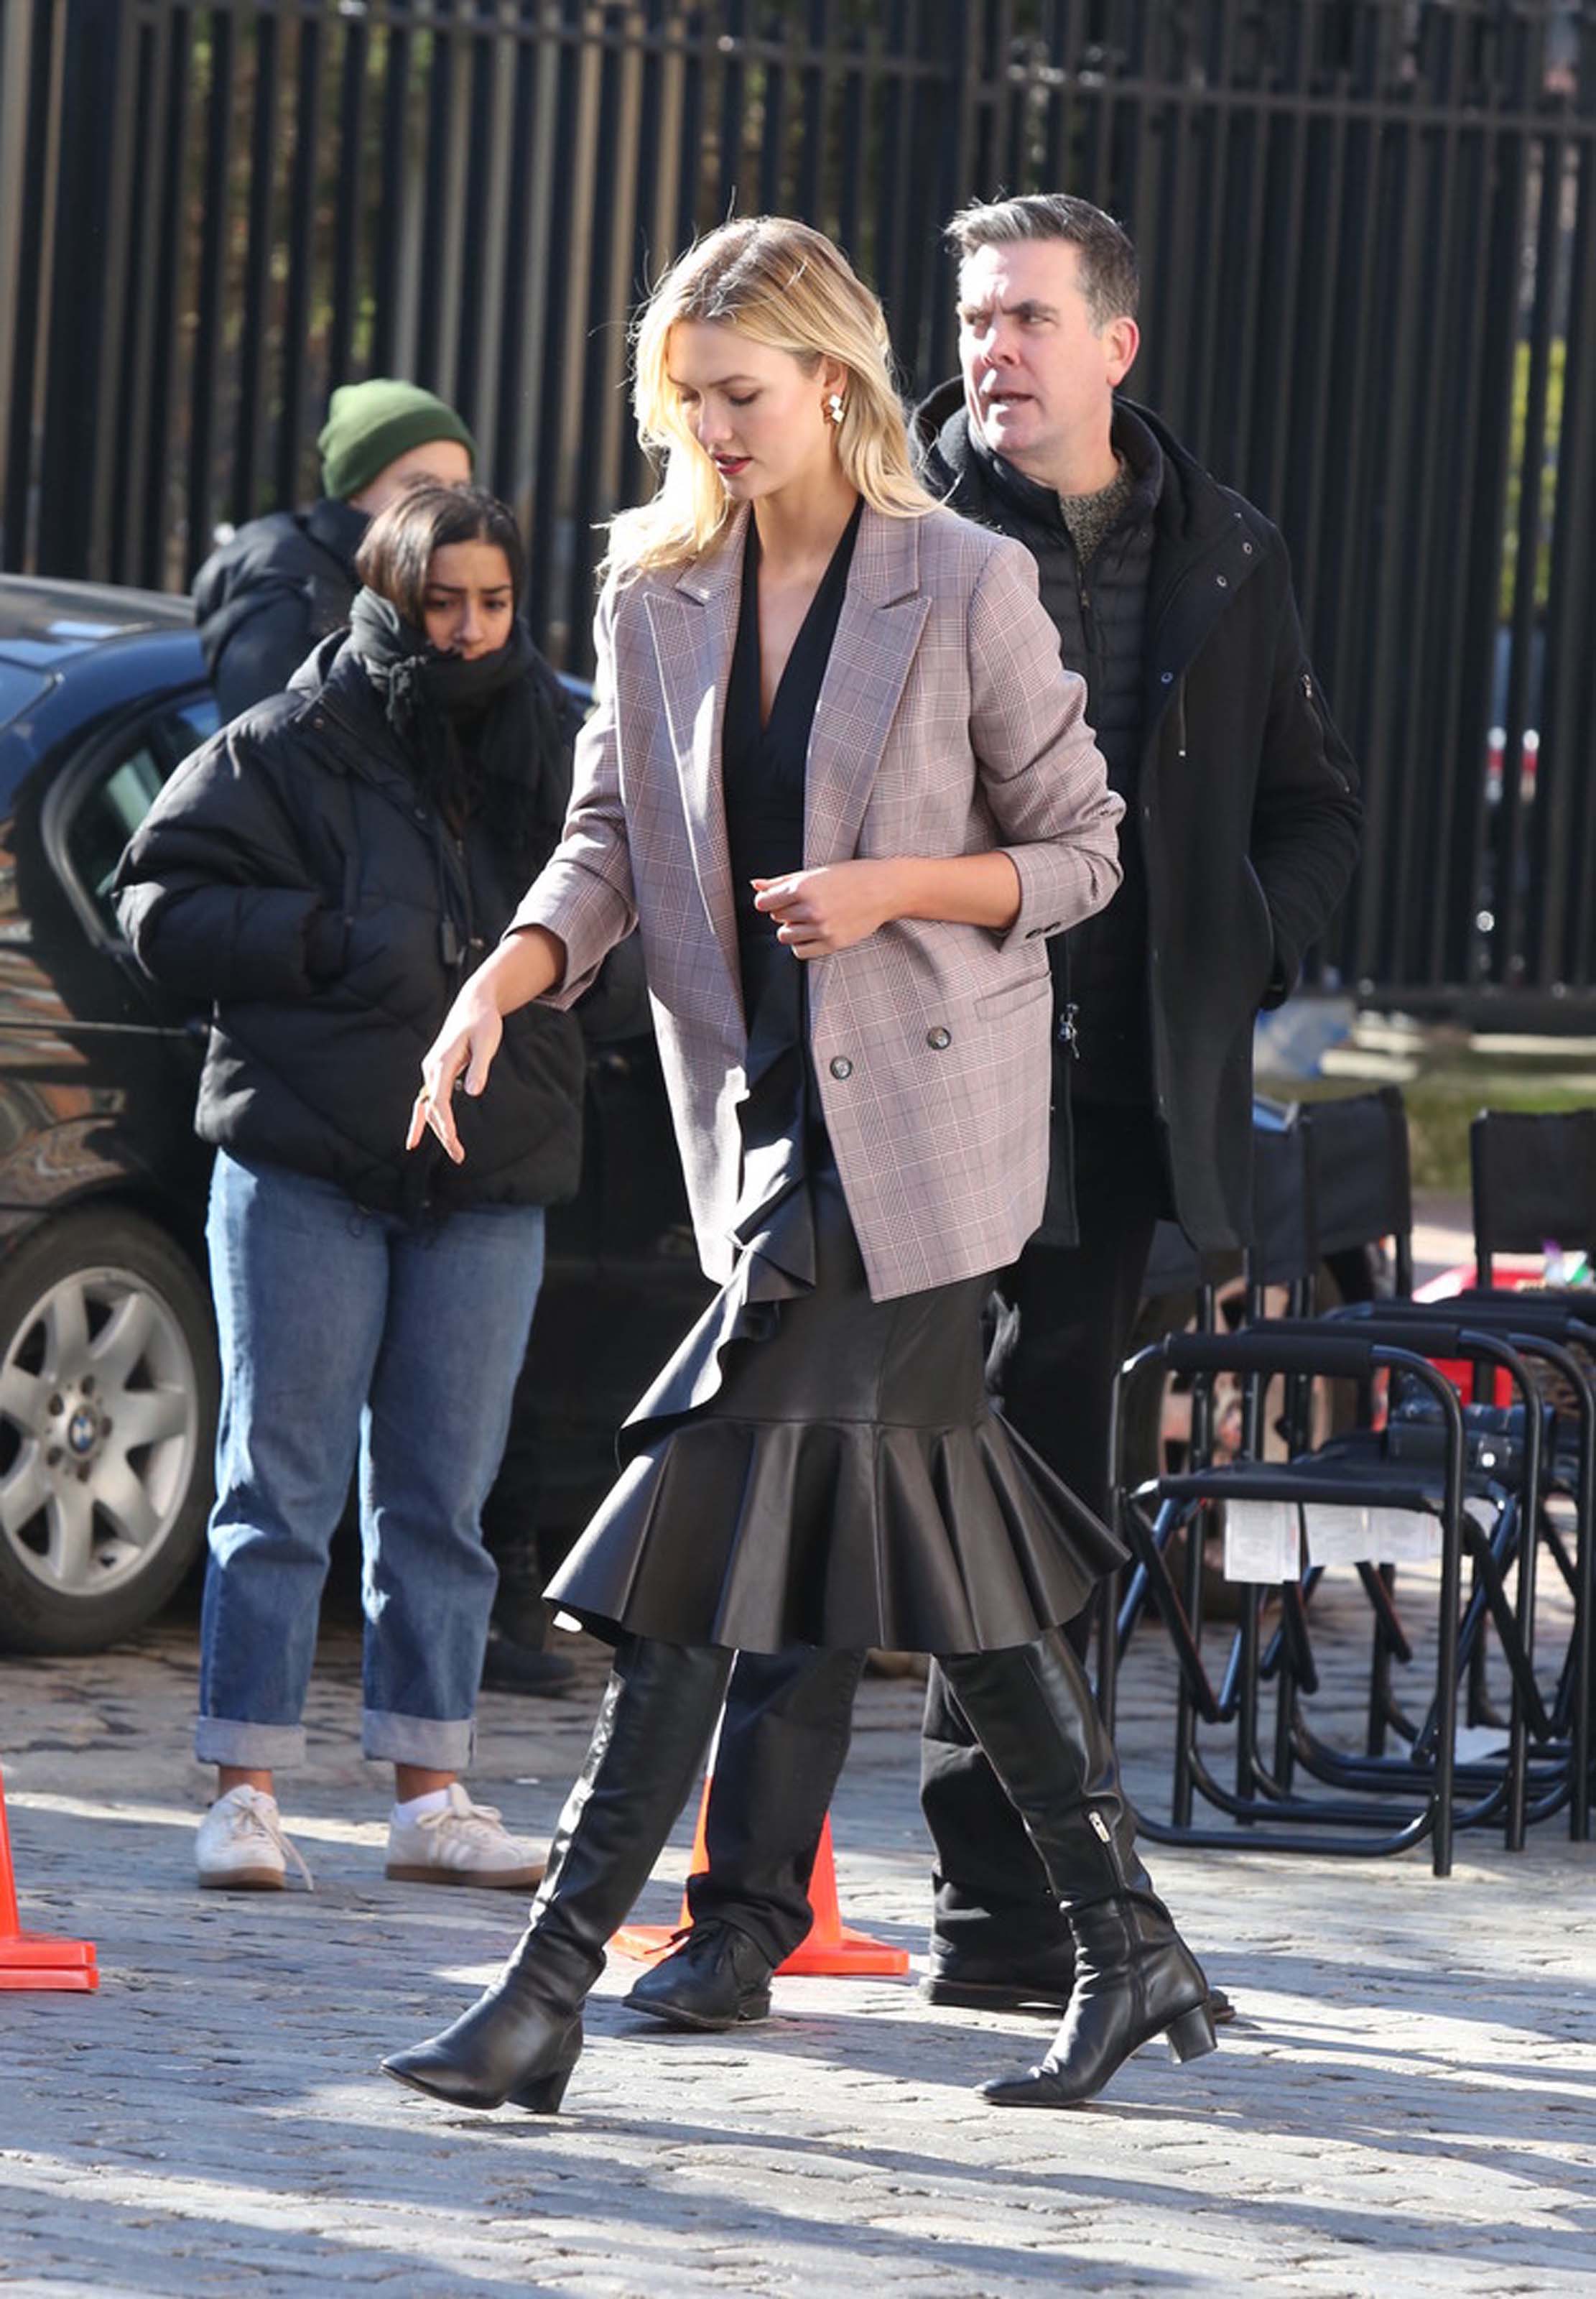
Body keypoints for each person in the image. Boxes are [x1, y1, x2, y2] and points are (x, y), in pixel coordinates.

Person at [381, 215, 1217, 2119]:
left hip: (919, 1149)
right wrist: (504, 978)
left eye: (741, 394)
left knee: (694, 1536)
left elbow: (1081, 853)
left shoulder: (965, 580)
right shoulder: (654, 590)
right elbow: (604, 841)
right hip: (761, 1145)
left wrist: (895, 887)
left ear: (832, 381)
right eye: (687, 401)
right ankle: (1129, 1946)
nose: (715, 431)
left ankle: (545, 1990)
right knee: (952, 1558)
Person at [623, 193, 1363, 2039]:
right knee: (820, 1472)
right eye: (970, 319)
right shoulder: (903, 532)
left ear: (1114, 343)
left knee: (1021, 1508)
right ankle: (752, 1909)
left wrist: (1229, 956)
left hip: (1104, 1107)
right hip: (896, 1098)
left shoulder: (1223, 552)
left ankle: (1019, 1920)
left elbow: (1308, 807)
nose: (992, 351)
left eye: (1027, 317)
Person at [115, 484, 585, 1892]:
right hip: (306, 1159)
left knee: (442, 1497)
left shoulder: (559, 742)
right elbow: (157, 907)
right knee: (278, 1484)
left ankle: (431, 1794)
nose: (470, 629)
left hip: (488, 1169)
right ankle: (244, 1790)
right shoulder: (290, 739)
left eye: (494, 602)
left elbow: (628, 918)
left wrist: (563, 1022)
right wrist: (324, 942)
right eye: (442, 603)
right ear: (389, 596)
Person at [193, 379, 477, 722]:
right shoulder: (295, 607)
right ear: (355, 490)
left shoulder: (428, 585)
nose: (445, 503)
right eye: (420, 485)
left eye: (459, 487)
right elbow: (276, 746)